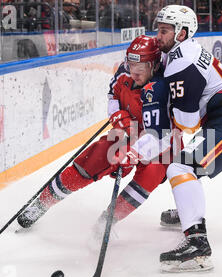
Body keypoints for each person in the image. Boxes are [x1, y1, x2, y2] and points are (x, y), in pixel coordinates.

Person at [16, 35, 169, 236]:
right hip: (127, 132)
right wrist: (118, 117)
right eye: (131, 65)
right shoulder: (125, 73)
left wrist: (133, 154)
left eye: (140, 68)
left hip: (161, 139)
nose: (134, 72)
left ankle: (107, 221)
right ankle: (42, 203)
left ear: (155, 65)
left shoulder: (162, 87)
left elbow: (161, 134)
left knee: (151, 174)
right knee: (93, 159)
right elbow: (112, 96)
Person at [153, 5, 222, 272]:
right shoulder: (180, 52)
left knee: (180, 166)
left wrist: (159, 130)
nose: (158, 36)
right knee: (185, 164)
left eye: (164, 30)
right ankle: (189, 210)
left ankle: (197, 245)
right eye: (158, 29)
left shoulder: (182, 64)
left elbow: (187, 123)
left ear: (182, 33)